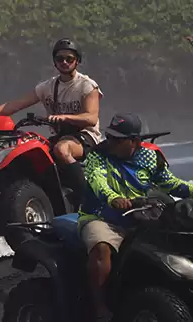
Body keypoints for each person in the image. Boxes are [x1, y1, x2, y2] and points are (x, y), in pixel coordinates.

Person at [79, 112, 193, 321]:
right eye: (109, 136)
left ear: (134, 141)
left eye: (117, 139)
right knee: (101, 248)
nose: (110, 142)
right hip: (102, 217)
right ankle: (100, 307)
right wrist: (114, 199)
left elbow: (172, 184)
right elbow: (97, 182)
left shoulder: (150, 156)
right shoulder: (98, 155)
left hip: (143, 214)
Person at [0, 38, 103, 210]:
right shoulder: (47, 87)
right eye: (60, 58)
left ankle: (86, 199)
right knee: (29, 152)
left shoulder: (87, 86)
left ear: (77, 61)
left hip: (86, 136)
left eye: (69, 59)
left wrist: (65, 117)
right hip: (60, 136)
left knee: (62, 150)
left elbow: (91, 118)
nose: (64, 62)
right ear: (54, 61)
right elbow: (14, 105)